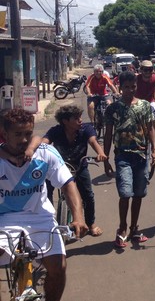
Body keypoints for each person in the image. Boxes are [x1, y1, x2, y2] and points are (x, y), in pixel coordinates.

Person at [0, 108, 88, 301]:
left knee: (59, 267)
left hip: (41, 217)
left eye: (28, 134)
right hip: (5, 219)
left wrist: (79, 218)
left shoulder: (45, 153)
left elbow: (68, 184)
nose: (24, 139)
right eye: (17, 134)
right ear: (4, 134)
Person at [103, 70, 155, 249]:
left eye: (133, 87)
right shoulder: (113, 109)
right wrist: (106, 159)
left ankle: (134, 228)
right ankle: (122, 228)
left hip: (142, 156)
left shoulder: (144, 106)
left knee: (139, 194)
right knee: (125, 194)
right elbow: (108, 134)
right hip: (122, 156)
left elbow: (150, 129)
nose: (130, 90)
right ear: (120, 87)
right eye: (126, 87)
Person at [40, 105, 107, 237]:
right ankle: (46, 222)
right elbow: (44, 142)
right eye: (76, 118)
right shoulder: (55, 131)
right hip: (58, 168)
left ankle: (90, 224)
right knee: (45, 192)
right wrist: (37, 150)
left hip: (79, 166)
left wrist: (100, 153)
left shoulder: (86, 129)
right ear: (65, 121)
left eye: (80, 117)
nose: (80, 120)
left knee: (88, 196)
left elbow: (93, 141)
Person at [136, 59, 155, 143]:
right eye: (145, 69)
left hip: (151, 101)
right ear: (141, 70)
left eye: (150, 69)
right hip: (137, 102)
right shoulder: (136, 79)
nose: (148, 72)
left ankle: (154, 144)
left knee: (153, 121)